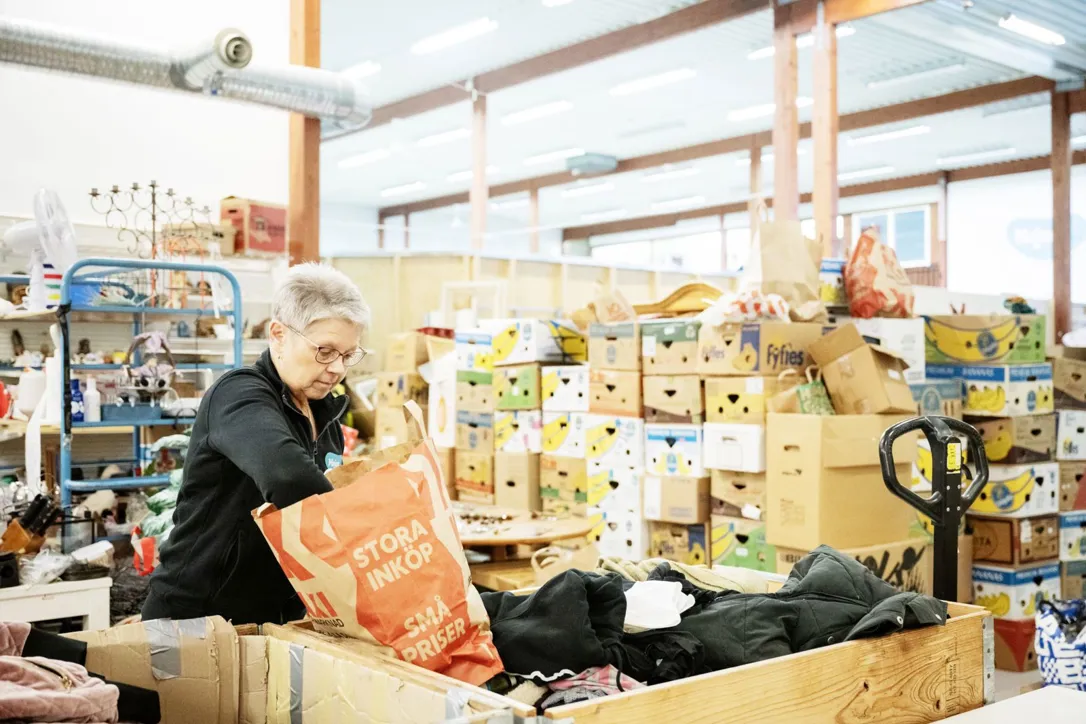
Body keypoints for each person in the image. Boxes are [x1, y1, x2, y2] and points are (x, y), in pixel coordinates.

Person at [142, 263, 370, 625]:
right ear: (279, 334)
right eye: (325, 351)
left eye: (347, 355)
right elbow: (287, 477)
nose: (337, 369)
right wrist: (369, 545)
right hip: (197, 618)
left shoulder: (324, 416)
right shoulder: (240, 394)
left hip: (276, 619)